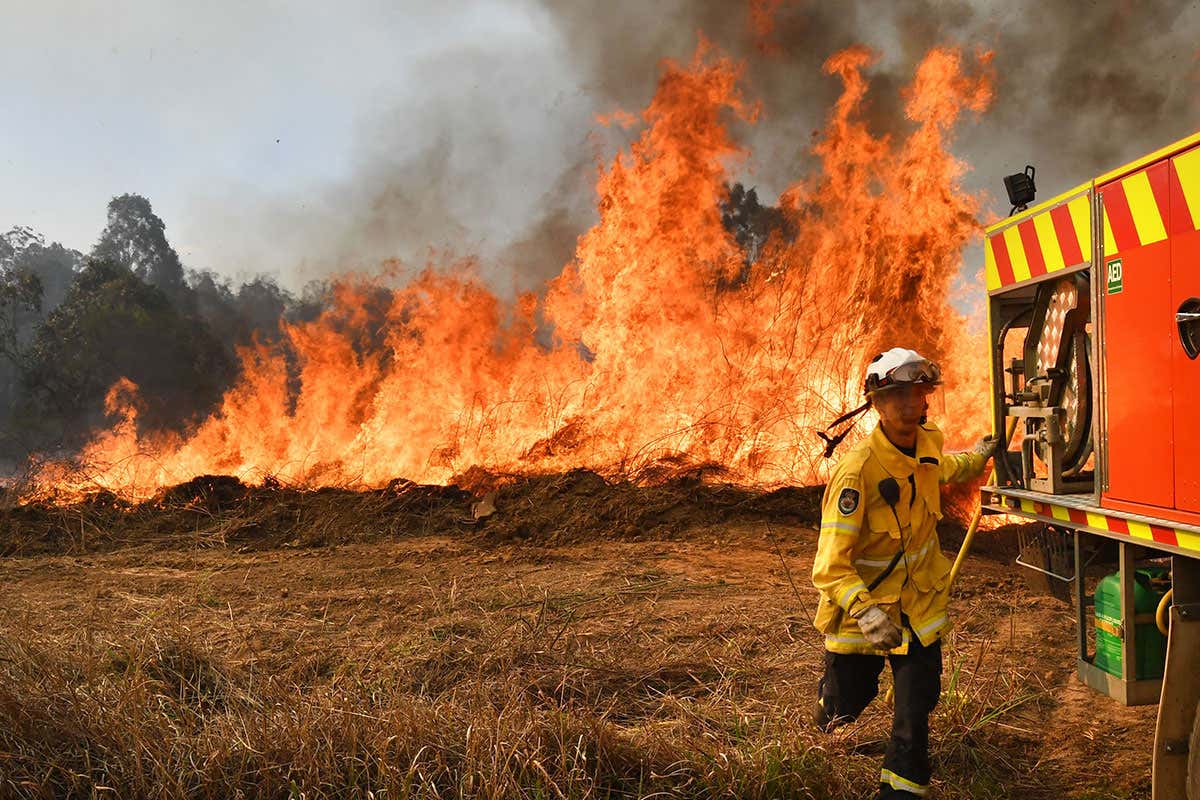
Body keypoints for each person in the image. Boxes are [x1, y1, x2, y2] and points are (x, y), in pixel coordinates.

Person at [811, 347, 997, 799]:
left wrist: (977, 457)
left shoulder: (927, 441)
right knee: (846, 705)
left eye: (917, 394)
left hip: (919, 609)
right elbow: (829, 564)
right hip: (867, 616)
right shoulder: (856, 472)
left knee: (916, 711)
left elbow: (939, 469)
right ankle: (829, 700)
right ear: (876, 403)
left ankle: (900, 790)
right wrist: (865, 611)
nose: (908, 405)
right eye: (896, 396)